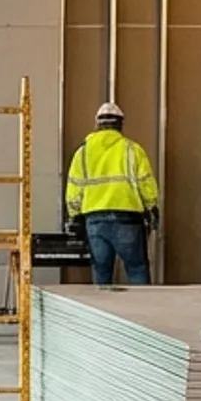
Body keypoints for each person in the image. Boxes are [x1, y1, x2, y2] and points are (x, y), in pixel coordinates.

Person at [64, 101, 159, 287]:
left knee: (101, 272)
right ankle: (143, 312)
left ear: (97, 124)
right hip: (128, 218)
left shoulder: (83, 153)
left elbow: (74, 189)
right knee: (137, 268)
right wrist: (151, 206)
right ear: (120, 124)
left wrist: (75, 215)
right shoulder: (133, 150)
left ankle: (102, 313)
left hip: (95, 219)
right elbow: (145, 183)